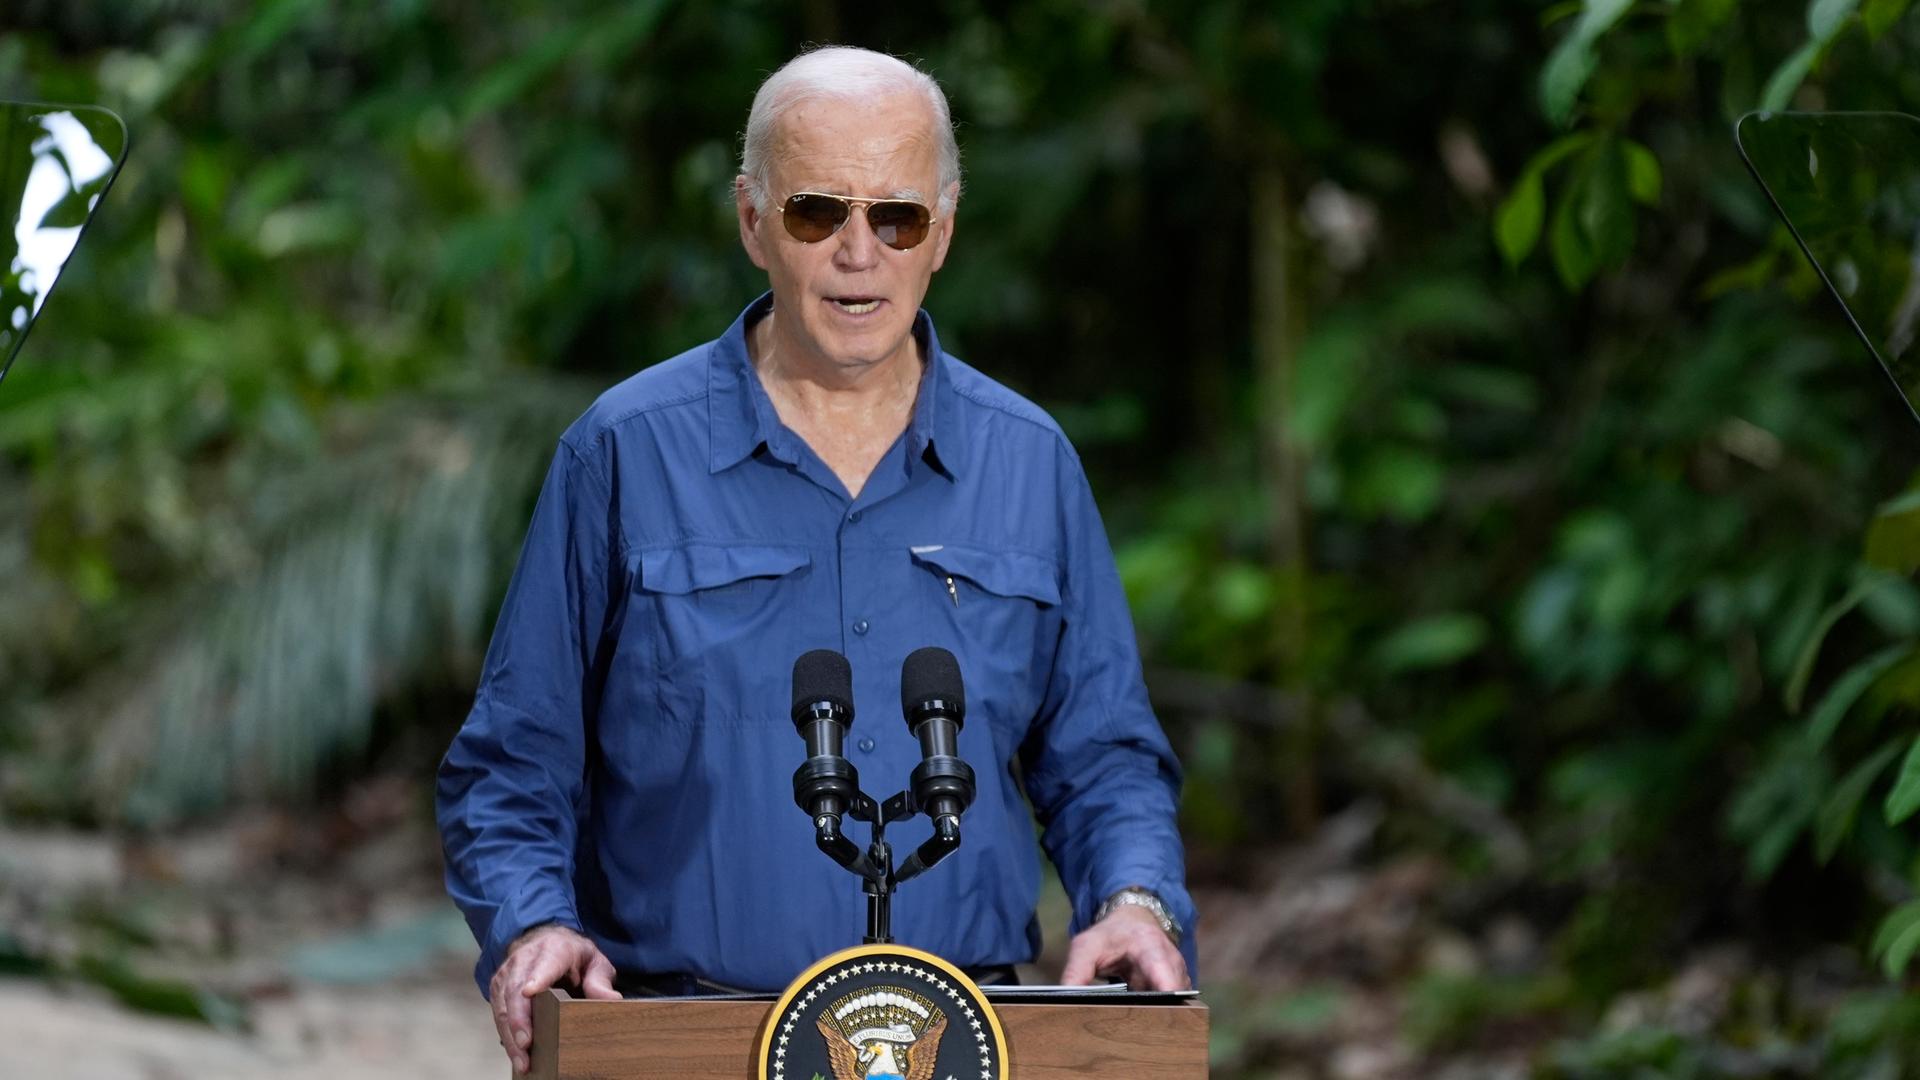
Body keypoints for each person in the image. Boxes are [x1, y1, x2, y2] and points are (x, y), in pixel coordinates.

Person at [435, 45, 1196, 1075]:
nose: (858, 252)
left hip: (964, 1043)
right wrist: (532, 926)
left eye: (897, 217)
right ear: (752, 220)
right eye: (815, 213)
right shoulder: (625, 451)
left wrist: (1134, 902)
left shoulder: (1031, 464)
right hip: (681, 1036)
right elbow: (513, 763)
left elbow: (1104, 759)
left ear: (945, 231)